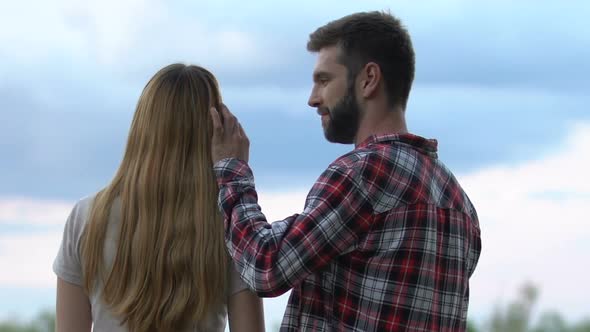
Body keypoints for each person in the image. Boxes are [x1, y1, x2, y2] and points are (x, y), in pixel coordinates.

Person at [210, 11, 481, 331]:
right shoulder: (460, 204)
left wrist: (232, 170)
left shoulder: (364, 174)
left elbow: (265, 265)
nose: (313, 99)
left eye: (324, 80)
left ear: (368, 79)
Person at [53, 63, 265, 332]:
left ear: (141, 127)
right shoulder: (231, 223)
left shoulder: (86, 217)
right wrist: (234, 168)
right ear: (213, 129)